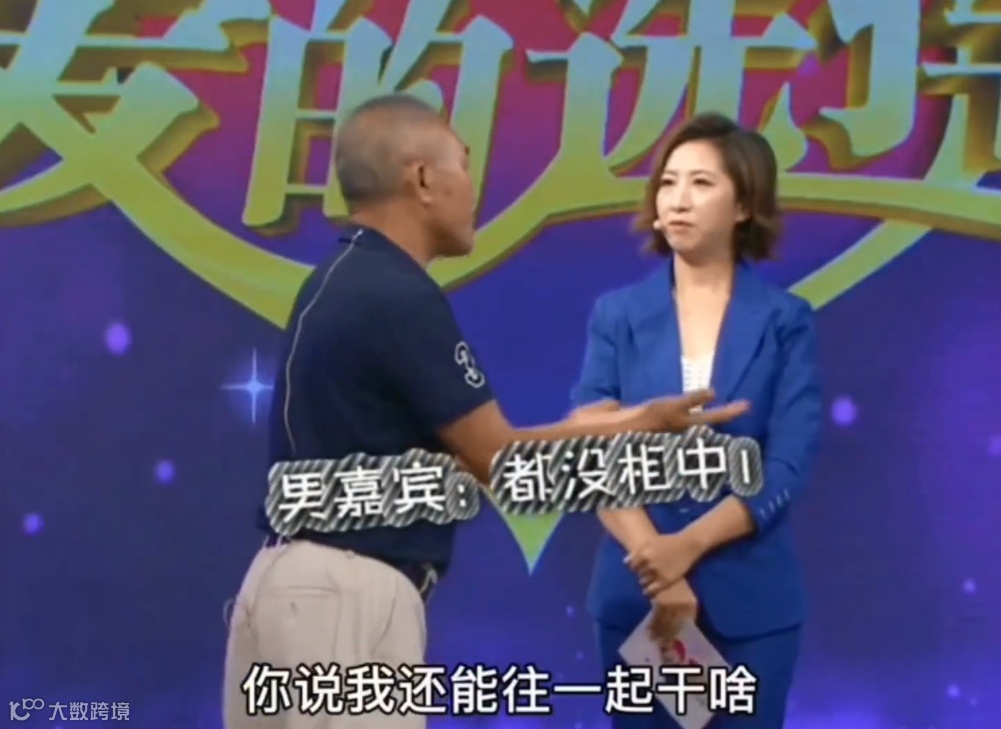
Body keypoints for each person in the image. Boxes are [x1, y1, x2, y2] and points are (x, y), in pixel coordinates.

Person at [221, 95, 750, 729]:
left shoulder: (347, 277)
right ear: (422, 178)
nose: (476, 190)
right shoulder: (398, 295)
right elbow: (500, 460)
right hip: (347, 598)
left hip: (292, 591)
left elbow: (472, 455)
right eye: (465, 166)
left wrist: (630, 422)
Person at [570, 112, 823, 728]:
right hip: (640, 599)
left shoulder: (786, 320)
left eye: (701, 183)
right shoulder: (618, 315)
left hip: (750, 607)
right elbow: (588, 448)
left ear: (745, 206)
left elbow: (787, 462)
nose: (678, 199)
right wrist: (658, 567)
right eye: (668, 182)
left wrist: (687, 547)